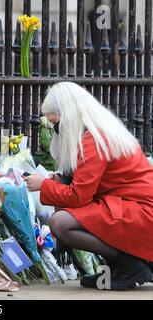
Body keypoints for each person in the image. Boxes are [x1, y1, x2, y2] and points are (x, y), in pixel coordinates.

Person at [23, 82, 153, 290]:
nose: (56, 130)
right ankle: (119, 268)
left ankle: (130, 264)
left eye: (56, 124)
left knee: (61, 223)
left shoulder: (94, 140)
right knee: (74, 219)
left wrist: (44, 184)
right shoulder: (100, 132)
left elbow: (79, 196)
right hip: (131, 209)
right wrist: (56, 181)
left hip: (141, 214)